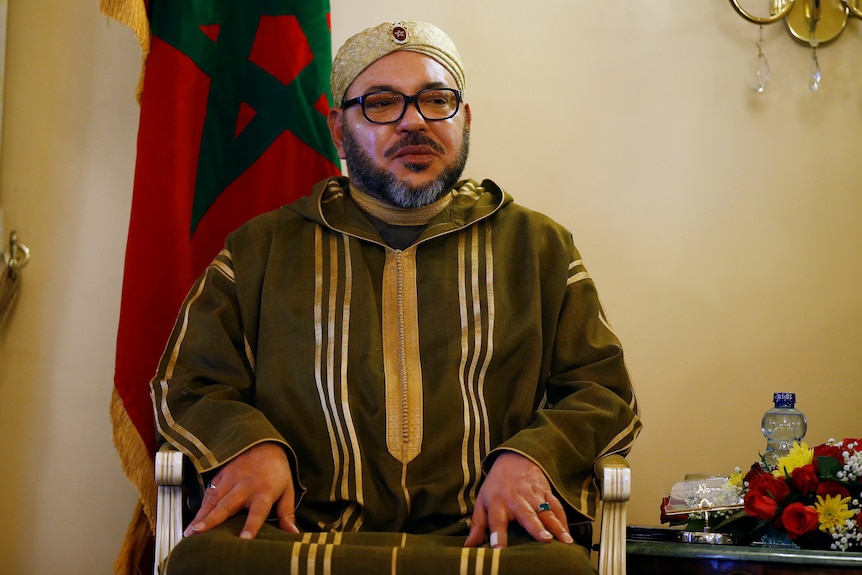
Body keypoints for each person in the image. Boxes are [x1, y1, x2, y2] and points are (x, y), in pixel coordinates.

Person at [151, 20, 641, 575]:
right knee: (206, 562)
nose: (415, 121)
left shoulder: (536, 247)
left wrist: (531, 459)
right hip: (296, 535)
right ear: (339, 130)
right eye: (382, 104)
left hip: (488, 536)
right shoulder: (262, 249)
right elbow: (188, 381)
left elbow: (603, 390)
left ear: (465, 118)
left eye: (438, 101)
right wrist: (247, 445)